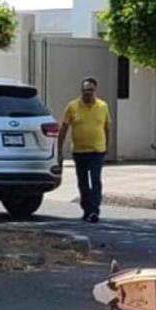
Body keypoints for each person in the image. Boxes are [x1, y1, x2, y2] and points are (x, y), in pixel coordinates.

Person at [58, 77, 111, 223]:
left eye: (91, 90)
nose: (88, 93)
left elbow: (107, 127)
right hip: (80, 151)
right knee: (82, 181)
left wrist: (107, 146)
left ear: (95, 91)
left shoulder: (103, 106)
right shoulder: (72, 106)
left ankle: (94, 210)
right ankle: (86, 209)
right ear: (81, 91)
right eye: (85, 90)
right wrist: (59, 149)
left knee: (95, 180)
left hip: (97, 150)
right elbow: (64, 128)